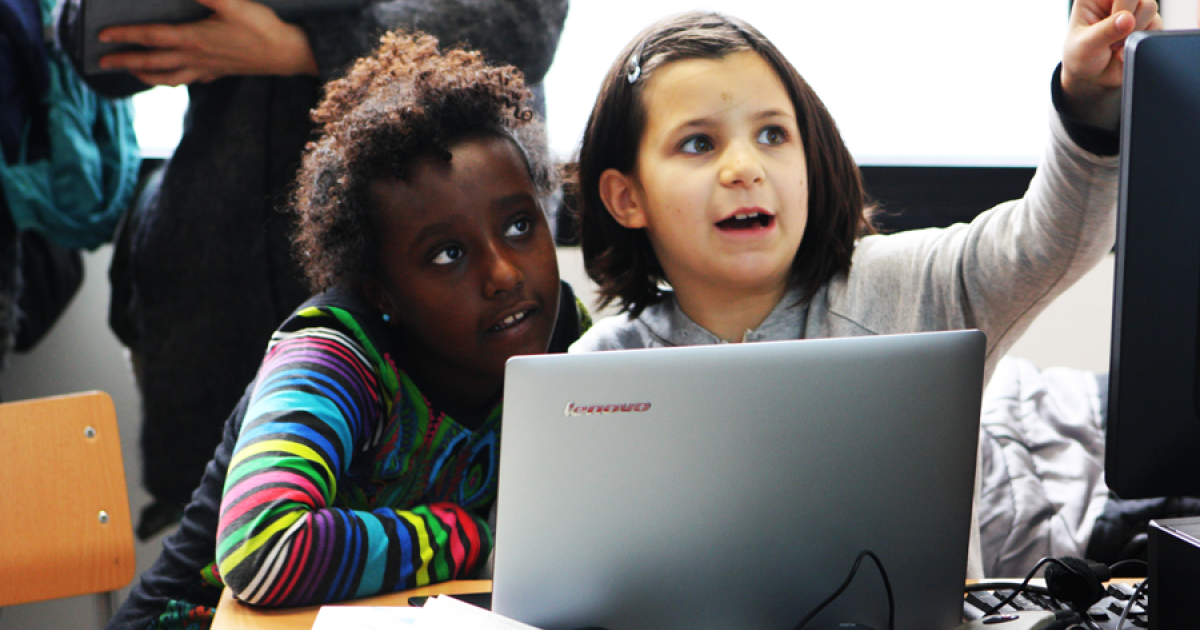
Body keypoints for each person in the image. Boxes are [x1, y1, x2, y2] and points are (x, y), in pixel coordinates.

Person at [567, 3, 1161, 578]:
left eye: (773, 134)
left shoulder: (913, 287)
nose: (745, 167)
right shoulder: (598, 372)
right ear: (627, 197)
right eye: (699, 143)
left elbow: (1051, 239)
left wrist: (1089, 99)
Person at [106, 30, 588, 630]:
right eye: (447, 255)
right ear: (380, 292)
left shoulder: (564, 334)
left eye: (519, 226)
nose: (504, 274)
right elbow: (262, 549)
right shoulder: (332, 355)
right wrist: (472, 537)